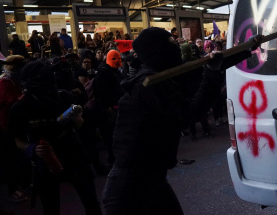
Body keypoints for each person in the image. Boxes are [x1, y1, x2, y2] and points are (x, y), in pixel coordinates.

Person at [102, 27, 256, 214]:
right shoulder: (150, 84)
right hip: (130, 185)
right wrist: (212, 74)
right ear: (157, 53)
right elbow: (189, 114)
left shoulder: (164, 75)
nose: (176, 51)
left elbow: (203, 68)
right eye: (171, 47)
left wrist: (248, 48)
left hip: (153, 178)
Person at [10, 60, 102, 215]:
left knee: (92, 202)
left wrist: (77, 119)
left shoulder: (64, 97)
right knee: (51, 206)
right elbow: (17, 139)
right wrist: (32, 149)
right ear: (34, 82)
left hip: (73, 152)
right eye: (46, 77)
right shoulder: (21, 107)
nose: (52, 79)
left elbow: (79, 125)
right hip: (46, 159)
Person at [0, 55, 29, 203]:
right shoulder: (5, 82)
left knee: (19, 156)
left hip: (17, 125)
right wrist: (25, 96)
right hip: (6, 126)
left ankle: (23, 184)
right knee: (10, 158)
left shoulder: (16, 81)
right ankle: (13, 189)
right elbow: (11, 101)